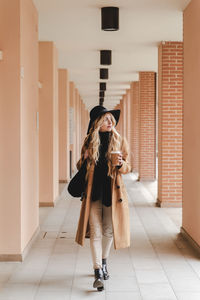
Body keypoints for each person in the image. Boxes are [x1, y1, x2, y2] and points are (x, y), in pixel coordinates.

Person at [75, 105, 131, 291]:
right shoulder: (89, 141)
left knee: (108, 231)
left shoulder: (119, 140)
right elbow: (79, 167)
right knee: (96, 231)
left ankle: (104, 261)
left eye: (111, 119)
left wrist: (121, 165)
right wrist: (84, 158)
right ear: (97, 122)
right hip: (93, 193)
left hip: (112, 193)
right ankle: (98, 269)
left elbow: (127, 167)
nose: (110, 122)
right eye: (106, 119)